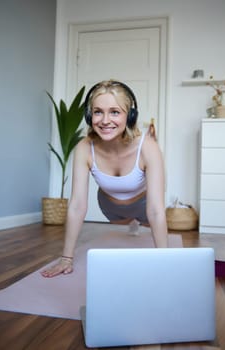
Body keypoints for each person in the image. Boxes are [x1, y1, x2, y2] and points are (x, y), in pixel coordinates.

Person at [41, 80, 168, 278]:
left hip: (143, 204)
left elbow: (155, 210)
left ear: (130, 116)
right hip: (110, 206)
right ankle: (130, 222)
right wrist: (66, 257)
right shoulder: (85, 147)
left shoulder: (147, 146)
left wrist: (165, 262)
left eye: (115, 112)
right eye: (98, 112)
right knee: (122, 229)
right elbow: (77, 205)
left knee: (148, 220)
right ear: (90, 115)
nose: (105, 120)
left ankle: (136, 222)